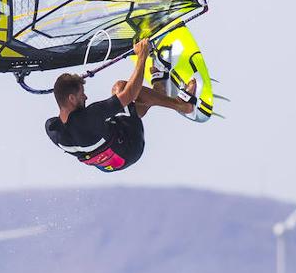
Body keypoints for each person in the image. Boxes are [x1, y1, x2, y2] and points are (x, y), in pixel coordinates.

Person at [44, 37, 196, 173]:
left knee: (125, 111)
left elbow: (82, 128)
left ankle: (158, 90)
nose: (85, 97)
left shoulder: (52, 128)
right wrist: (142, 55)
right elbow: (129, 93)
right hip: (130, 145)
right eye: (81, 94)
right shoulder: (89, 117)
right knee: (120, 87)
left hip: (109, 164)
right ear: (71, 98)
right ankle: (182, 105)